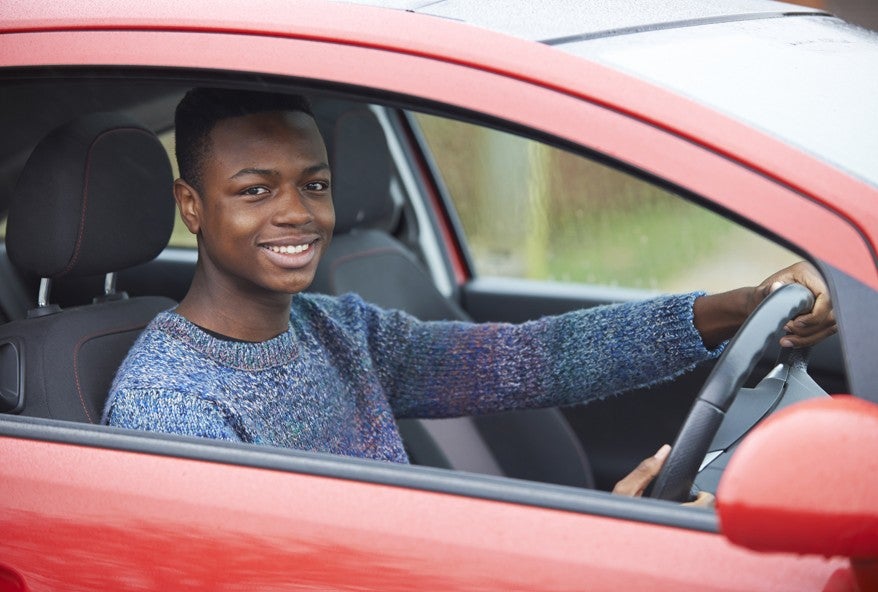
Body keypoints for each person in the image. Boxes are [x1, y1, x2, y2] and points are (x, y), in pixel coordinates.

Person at [102, 88, 836, 504]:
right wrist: (594, 547)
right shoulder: (172, 406)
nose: (297, 213)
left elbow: (529, 360)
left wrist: (736, 307)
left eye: (314, 185)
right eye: (256, 190)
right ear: (192, 207)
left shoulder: (337, 331)